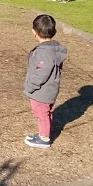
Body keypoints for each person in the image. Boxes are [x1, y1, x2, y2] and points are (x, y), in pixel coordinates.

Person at [23, 13, 67, 149]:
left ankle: (44, 138)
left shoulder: (44, 53)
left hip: (41, 91)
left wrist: (30, 86)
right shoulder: (53, 49)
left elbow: (42, 73)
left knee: (41, 113)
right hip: (50, 89)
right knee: (46, 112)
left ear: (34, 32)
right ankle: (45, 131)